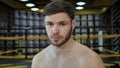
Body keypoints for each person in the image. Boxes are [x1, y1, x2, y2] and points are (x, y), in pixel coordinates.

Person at [31, 1, 105, 68]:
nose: (55, 31)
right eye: (50, 24)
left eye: (62, 24)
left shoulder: (90, 60)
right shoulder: (38, 59)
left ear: (73, 24)